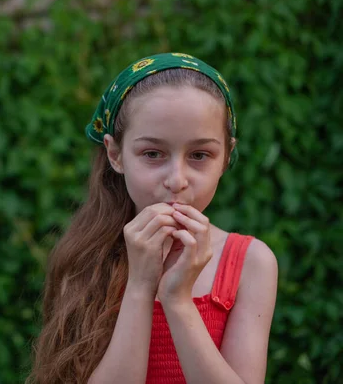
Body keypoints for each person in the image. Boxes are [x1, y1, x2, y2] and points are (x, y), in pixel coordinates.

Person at [26, 53, 278, 384]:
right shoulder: (87, 256)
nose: (177, 179)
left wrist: (177, 300)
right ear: (115, 154)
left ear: (226, 156)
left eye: (200, 155)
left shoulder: (250, 262)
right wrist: (141, 285)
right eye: (152, 154)